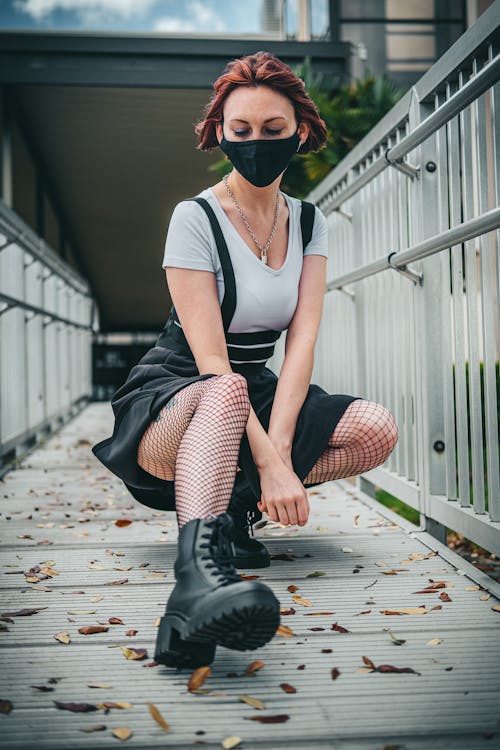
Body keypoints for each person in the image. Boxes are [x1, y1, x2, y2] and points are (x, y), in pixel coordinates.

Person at [92, 51, 399, 669]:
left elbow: (302, 341)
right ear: (220, 134)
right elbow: (210, 361)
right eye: (241, 131)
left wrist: (281, 455)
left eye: (273, 130)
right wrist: (270, 461)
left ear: (301, 132)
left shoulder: (309, 220)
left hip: (253, 387)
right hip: (175, 398)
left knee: (374, 429)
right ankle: (197, 581)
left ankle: (231, 513)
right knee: (225, 388)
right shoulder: (194, 217)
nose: (256, 142)